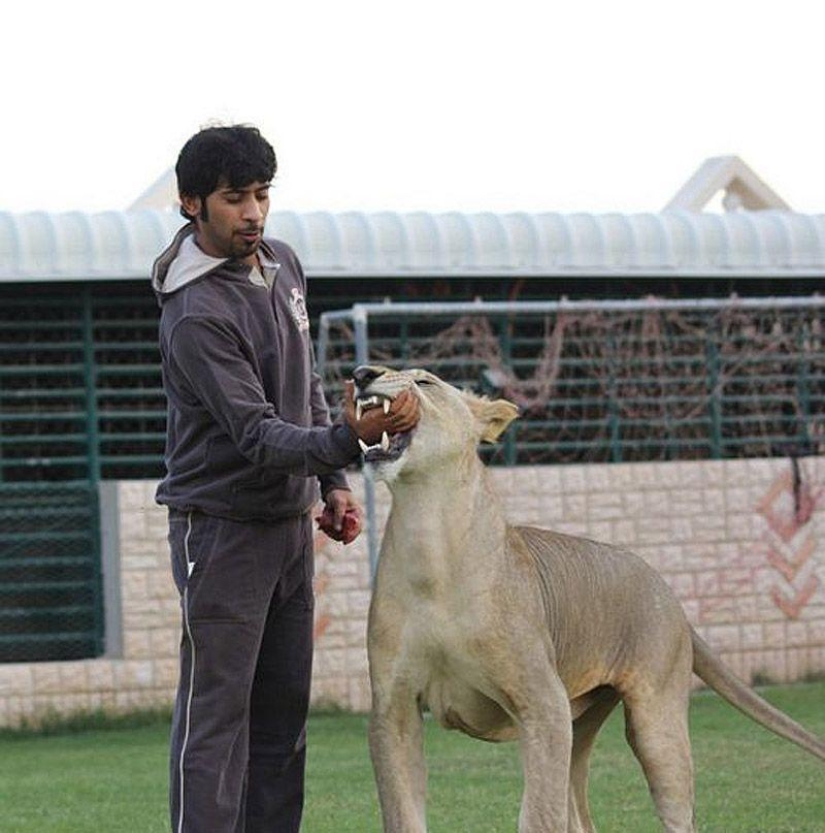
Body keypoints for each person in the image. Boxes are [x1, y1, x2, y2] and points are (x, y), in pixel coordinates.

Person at [151, 124, 418, 833]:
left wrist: (332, 481)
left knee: (281, 722)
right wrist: (351, 440)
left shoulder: (284, 264)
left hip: (289, 527)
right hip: (219, 532)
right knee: (217, 721)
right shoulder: (195, 315)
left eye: (262, 194)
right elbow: (258, 434)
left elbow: (303, 392)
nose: (253, 213)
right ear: (191, 204)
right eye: (234, 198)